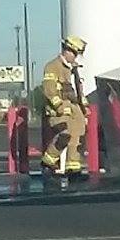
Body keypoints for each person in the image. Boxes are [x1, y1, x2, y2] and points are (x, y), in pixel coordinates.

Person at [41, 36, 89, 175]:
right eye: (74, 54)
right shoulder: (52, 66)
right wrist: (60, 107)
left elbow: (77, 90)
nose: (75, 57)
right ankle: (48, 162)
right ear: (67, 50)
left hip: (75, 109)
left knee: (77, 139)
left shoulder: (73, 69)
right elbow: (49, 90)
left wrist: (84, 107)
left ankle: (73, 168)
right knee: (64, 136)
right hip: (60, 111)